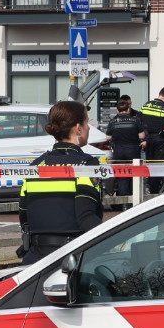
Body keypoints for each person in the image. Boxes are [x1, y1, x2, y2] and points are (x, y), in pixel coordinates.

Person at [19, 100, 104, 265]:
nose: (88, 128)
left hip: (34, 260)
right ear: (78, 128)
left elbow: (24, 217)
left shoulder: (36, 165)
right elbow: (86, 217)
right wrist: (116, 241)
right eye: (87, 123)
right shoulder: (86, 165)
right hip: (71, 260)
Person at [104, 98, 145, 197]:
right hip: (133, 151)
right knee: (135, 175)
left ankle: (123, 199)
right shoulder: (135, 120)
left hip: (118, 151)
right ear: (128, 109)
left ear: (117, 110)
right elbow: (142, 136)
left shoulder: (113, 121)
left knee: (122, 175)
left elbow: (108, 137)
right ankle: (134, 198)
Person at [139, 88, 164, 193]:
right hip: (160, 140)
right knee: (159, 165)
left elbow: (139, 121)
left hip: (147, 139)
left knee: (150, 164)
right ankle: (156, 190)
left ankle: (150, 188)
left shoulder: (146, 105)